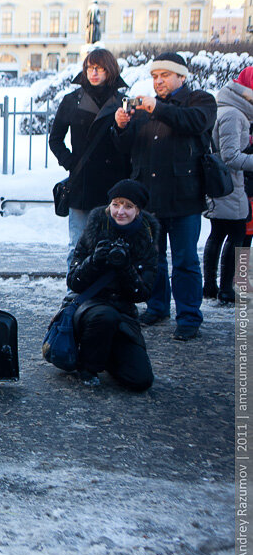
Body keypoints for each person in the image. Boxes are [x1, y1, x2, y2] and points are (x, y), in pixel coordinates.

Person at [114, 52, 217, 341]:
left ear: (181, 77)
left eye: (165, 76)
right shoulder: (147, 108)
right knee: (152, 259)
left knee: (185, 261)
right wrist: (120, 126)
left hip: (184, 198)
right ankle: (157, 306)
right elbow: (125, 148)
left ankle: (188, 316)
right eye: (155, 76)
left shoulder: (201, 100)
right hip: (150, 199)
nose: (158, 81)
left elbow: (194, 122)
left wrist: (156, 108)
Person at [67, 180, 159, 391]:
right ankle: (87, 366)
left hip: (124, 314)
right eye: (116, 204)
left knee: (140, 380)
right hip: (90, 308)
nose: (120, 212)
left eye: (128, 206)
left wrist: (126, 267)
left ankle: (107, 353)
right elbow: (73, 282)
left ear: (138, 210)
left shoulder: (147, 237)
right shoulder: (94, 229)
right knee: (104, 316)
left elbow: (143, 293)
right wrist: (94, 261)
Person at [49, 48, 130, 267]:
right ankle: (75, 293)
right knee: (78, 244)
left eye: (100, 68)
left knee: (113, 244)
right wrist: (72, 164)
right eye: (89, 68)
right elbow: (55, 139)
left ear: (109, 70)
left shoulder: (123, 102)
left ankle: (108, 295)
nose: (93, 73)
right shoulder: (72, 100)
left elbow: (129, 144)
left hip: (113, 185)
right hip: (82, 184)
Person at [205, 66, 253, 305]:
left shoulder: (226, 108)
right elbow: (231, 156)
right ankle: (224, 288)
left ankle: (211, 286)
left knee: (219, 233)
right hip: (230, 184)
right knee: (235, 233)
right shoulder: (235, 114)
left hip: (222, 183)